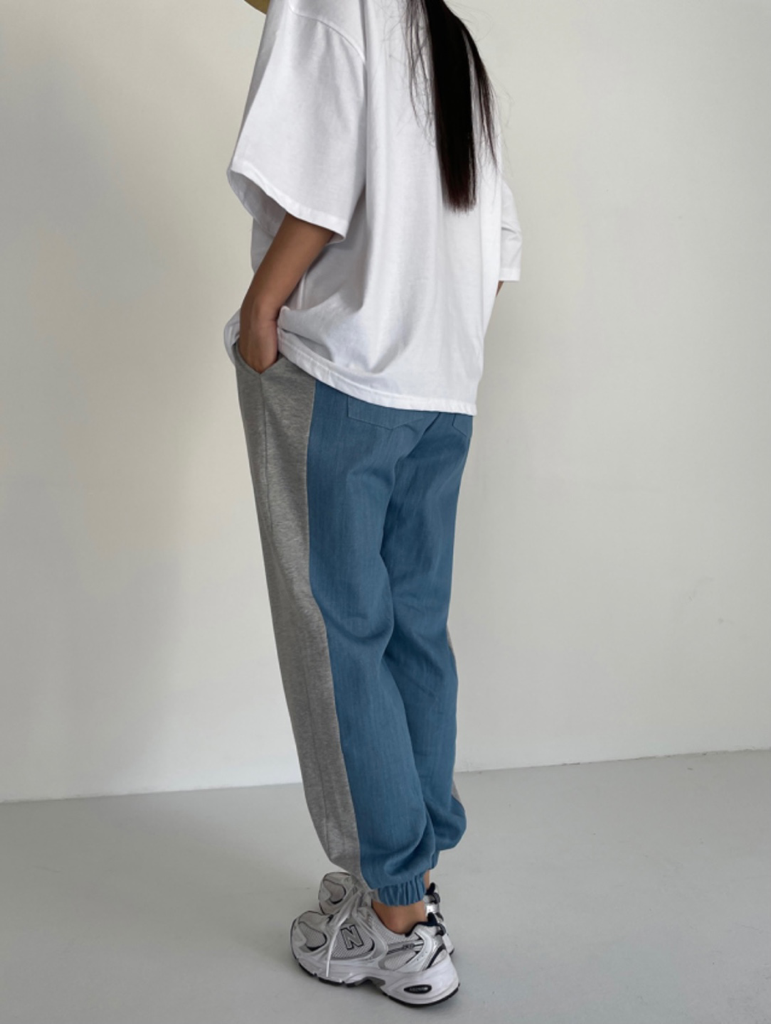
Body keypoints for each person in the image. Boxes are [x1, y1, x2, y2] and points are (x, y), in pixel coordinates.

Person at [223, 0, 522, 1006]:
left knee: (336, 635)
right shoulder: (447, 36)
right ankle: (409, 883)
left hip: (342, 378)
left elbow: (317, 189)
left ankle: (395, 927)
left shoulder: (330, 5)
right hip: (441, 389)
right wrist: (428, 341)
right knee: (410, 634)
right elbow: (497, 243)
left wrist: (261, 309)